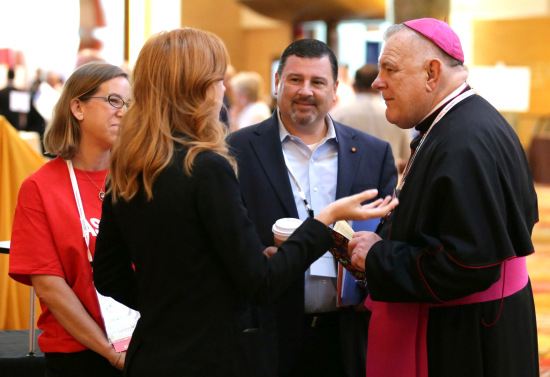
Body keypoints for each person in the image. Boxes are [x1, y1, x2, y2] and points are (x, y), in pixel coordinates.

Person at [90, 28, 398, 377]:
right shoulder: (206, 166)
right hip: (209, 356)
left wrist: (168, 307)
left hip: (152, 351)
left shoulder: (129, 163)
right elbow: (261, 283)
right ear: (197, 87)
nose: (223, 90)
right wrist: (325, 219)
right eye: (218, 79)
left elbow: (109, 275)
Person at [348, 18, 539, 377]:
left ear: (431, 73)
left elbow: (466, 265)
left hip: (466, 336)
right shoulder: (465, 121)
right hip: (481, 322)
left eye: (389, 69)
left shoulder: (462, 143)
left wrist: (378, 255)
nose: (377, 81)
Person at [228, 39, 398, 377]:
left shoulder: (373, 154)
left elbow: (389, 238)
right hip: (265, 336)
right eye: (295, 79)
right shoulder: (236, 151)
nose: (305, 90)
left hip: (347, 336)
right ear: (277, 82)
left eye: (317, 82)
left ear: (335, 89)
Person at [9, 62, 132, 376]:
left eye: (129, 104)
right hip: (77, 357)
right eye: (114, 101)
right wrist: (109, 352)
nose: (123, 112)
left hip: (143, 347)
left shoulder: (139, 181)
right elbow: (50, 287)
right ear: (78, 107)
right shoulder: (40, 187)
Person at [331, 64, 412, 173]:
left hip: (348, 185)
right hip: (389, 185)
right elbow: (407, 158)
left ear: (354, 86)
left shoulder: (338, 114)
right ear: (380, 86)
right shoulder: (399, 117)